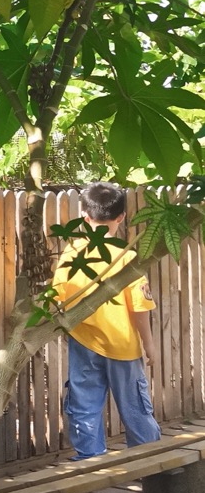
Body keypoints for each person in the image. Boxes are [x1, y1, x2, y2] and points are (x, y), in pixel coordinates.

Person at [53, 181, 161, 459]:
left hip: (83, 343)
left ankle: (90, 462)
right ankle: (149, 460)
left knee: (84, 405)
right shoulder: (127, 256)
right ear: (121, 216)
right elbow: (139, 307)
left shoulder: (72, 252)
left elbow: (57, 297)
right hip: (123, 347)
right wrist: (149, 345)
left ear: (85, 217)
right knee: (135, 406)